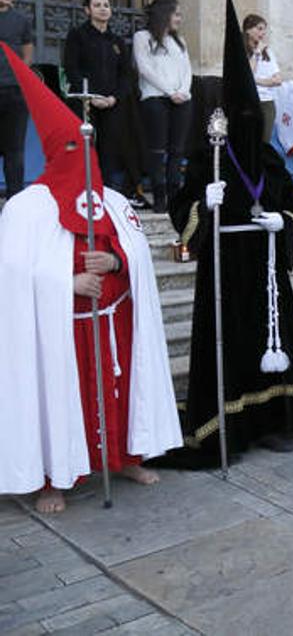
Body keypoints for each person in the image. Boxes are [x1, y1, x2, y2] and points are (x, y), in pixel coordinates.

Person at [0, 43, 181, 513]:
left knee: (120, 394)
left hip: (114, 321)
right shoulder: (26, 208)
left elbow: (137, 253)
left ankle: (125, 457)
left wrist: (118, 262)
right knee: (63, 400)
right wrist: (67, 280)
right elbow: (13, 275)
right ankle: (53, 479)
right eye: (69, 148)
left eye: (86, 148)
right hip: (59, 330)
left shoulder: (116, 201)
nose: (80, 157)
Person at [168, 0, 293, 460]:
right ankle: (229, 426)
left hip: (268, 267)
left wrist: (282, 221)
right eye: (243, 116)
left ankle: (275, 422)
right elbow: (181, 207)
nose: (251, 123)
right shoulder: (206, 156)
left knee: (271, 345)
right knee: (231, 344)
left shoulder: (269, 158)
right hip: (226, 266)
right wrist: (201, 203)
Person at [62, 0, 138, 197]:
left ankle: (105, 192)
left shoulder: (117, 40)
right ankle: (81, 190)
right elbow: (71, 68)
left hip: (112, 103)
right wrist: (90, 97)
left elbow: (125, 75)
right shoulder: (78, 35)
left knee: (110, 149)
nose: (103, 8)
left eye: (106, 5)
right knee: (85, 147)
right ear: (87, 10)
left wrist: (114, 97)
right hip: (86, 102)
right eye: (97, 5)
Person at [133, 0, 193, 212]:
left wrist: (184, 92)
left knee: (177, 151)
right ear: (164, 14)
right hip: (155, 99)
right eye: (176, 14)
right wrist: (170, 92)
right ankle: (159, 196)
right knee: (157, 150)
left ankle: (175, 194)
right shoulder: (143, 37)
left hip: (181, 100)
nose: (179, 18)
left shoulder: (180, 41)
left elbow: (187, 69)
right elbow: (145, 69)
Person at [0, 0, 34, 198]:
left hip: (14, 93)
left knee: (15, 152)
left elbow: (27, 55)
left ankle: (15, 203)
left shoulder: (22, 20)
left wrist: (21, 80)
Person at [242, 14, 282, 142]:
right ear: (248, 30)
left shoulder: (268, 52)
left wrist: (255, 81)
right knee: (248, 140)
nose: (263, 33)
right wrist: (256, 53)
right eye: (259, 29)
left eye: (264, 29)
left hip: (267, 102)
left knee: (264, 142)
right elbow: (247, 74)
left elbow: (278, 80)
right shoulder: (243, 51)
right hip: (248, 101)